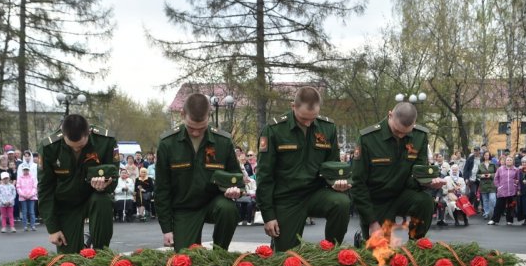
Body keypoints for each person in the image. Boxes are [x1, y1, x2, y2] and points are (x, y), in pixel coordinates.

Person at [255, 86, 350, 250]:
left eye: (312, 118)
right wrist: (268, 215)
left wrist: (337, 183)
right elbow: (265, 176)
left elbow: (332, 166)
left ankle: (332, 252)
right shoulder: (274, 130)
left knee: (341, 203)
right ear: (293, 107)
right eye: (303, 118)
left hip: (316, 193)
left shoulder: (327, 128)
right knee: (286, 258)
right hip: (286, 198)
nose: (308, 122)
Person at [154, 93, 241, 250]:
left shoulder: (223, 141)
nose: (195, 133)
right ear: (182, 115)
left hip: (213, 204)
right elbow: (161, 189)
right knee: (185, 262)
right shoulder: (168, 144)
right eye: (191, 127)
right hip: (183, 209)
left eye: (201, 128)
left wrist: (236, 190)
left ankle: (219, 254)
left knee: (228, 208)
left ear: (209, 116)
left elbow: (237, 177)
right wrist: (166, 228)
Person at [352, 101, 442, 239]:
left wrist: (428, 182)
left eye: (406, 133)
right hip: (377, 201)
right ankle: (363, 239)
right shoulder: (368, 139)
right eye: (397, 131)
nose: (401, 136)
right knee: (379, 254)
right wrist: (372, 221)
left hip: (403, 195)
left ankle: (416, 245)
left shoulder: (420, 136)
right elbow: (358, 183)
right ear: (390, 115)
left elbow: (418, 173)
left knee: (425, 201)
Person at [38, 114, 118, 253]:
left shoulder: (105, 142)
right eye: (72, 147)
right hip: (66, 204)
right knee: (69, 261)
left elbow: (114, 177)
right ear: (63, 135)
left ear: (88, 134)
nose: (76, 149)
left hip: (93, 198)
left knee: (103, 200)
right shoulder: (50, 147)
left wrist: (106, 185)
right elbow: (45, 189)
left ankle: (101, 253)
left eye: (80, 146)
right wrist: (53, 229)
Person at [488, 155, 519, 225]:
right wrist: (498, 187)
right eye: (507, 160)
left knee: (510, 206)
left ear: (513, 161)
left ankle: (509, 220)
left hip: (512, 191)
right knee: (498, 206)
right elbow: (496, 178)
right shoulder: (500, 169)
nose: (509, 161)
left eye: (510, 160)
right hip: (502, 191)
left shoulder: (516, 169)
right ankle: (494, 220)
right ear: (505, 161)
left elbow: (518, 179)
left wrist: (516, 185)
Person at [16, 165, 38, 231]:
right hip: (23, 197)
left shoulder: (32, 177)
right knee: (24, 212)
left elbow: (35, 187)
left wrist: (31, 195)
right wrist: (23, 195)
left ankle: (33, 225)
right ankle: (25, 226)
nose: (26, 171)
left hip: (31, 197)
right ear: (23, 170)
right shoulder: (20, 178)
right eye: (25, 170)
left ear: (29, 170)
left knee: (31, 212)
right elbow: (18, 187)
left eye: (27, 170)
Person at [477, 151, 497, 219]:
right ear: (483, 156)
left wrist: (490, 175)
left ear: (489, 156)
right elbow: (477, 175)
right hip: (483, 184)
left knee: (492, 199)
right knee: (485, 200)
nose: (486, 156)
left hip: (492, 184)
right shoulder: (480, 165)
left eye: (488, 155)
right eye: (485, 155)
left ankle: (494, 212)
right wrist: (481, 175)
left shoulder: (493, 164)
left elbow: (497, 173)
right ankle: (486, 213)